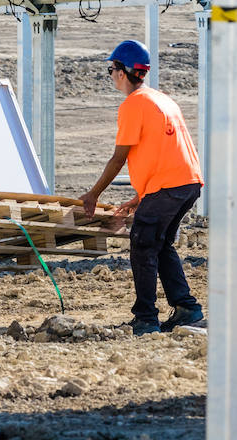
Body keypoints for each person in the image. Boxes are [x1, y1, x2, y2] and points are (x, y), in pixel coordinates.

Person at [80, 40, 204, 335]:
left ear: (122, 71)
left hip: (169, 186)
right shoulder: (161, 99)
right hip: (186, 183)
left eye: (111, 69)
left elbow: (118, 157)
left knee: (143, 244)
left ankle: (146, 318)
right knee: (160, 244)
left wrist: (93, 194)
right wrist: (141, 195)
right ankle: (186, 307)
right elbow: (164, 152)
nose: (111, 74)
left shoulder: (134, 104)